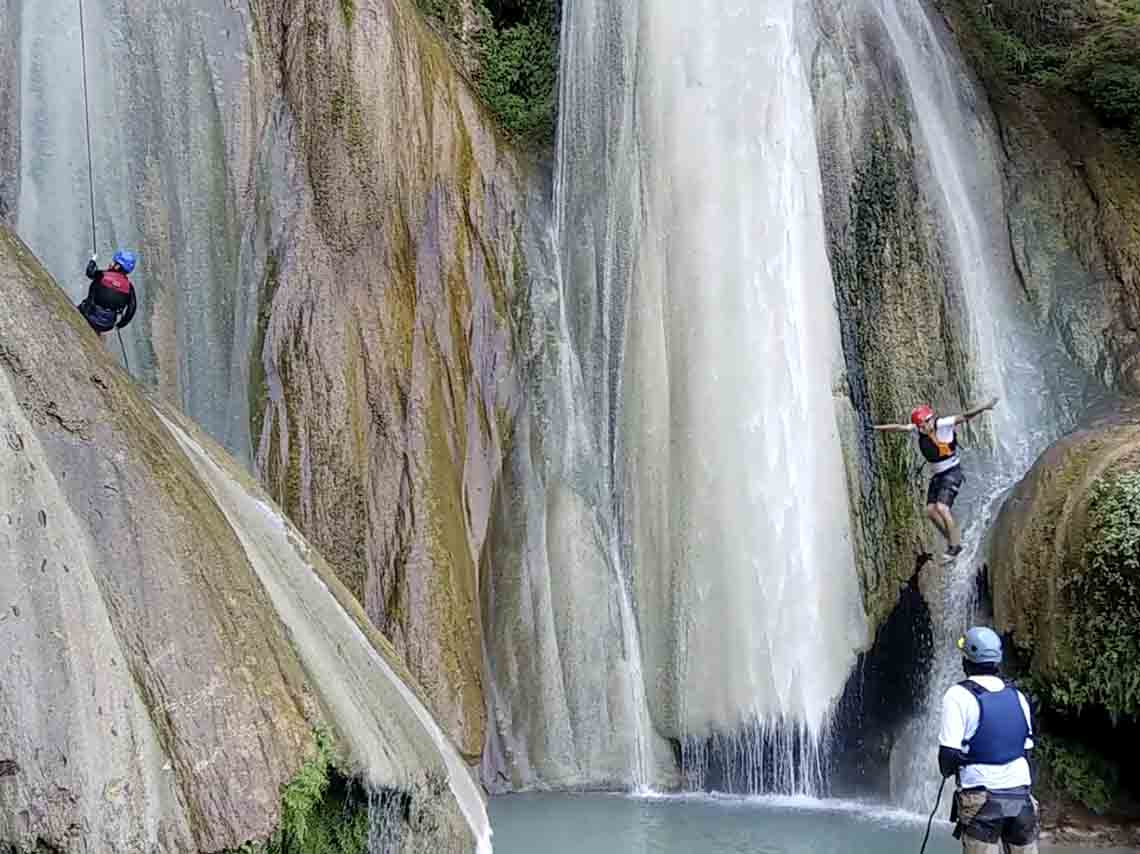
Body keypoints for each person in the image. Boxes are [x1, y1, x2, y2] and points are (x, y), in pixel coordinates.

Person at [938, 626, 1038, 854]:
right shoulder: (1017, 696)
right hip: (1021, 798)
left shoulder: (957, 695)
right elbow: (1027, 749)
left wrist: (956, 767)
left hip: (983, 800)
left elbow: (947, 757)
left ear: (966, 661)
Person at [871, 397, 998, 560]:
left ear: (932, 418)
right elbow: (898, 427)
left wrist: (984, 407)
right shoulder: (917, 430)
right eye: (922, 425)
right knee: (930, 511)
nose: (926, 427)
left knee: (942, 508)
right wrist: (875, 428)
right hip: (938, 475)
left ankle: (955, 546)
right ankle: (954, 540)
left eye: (927, 422)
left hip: (952, 472)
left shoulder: (943, 424)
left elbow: (965, 416)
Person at [78, 249, 137, 335]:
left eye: (113, 262)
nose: (111, 263)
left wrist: (93, 260)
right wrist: (120, 325)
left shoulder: (103, 275)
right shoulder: (129, 288)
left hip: (88, 315)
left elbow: (89, 272)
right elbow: (132, 308)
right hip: (107, 326)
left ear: (117, 266)